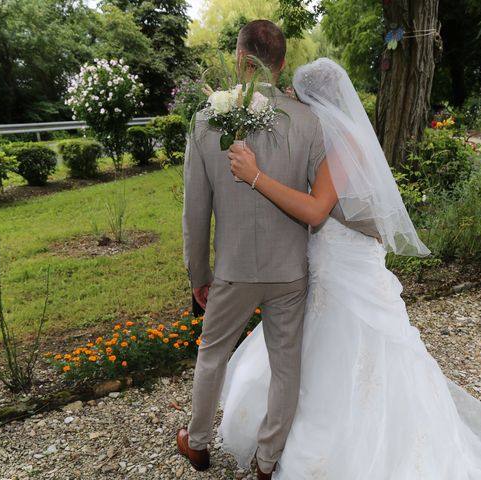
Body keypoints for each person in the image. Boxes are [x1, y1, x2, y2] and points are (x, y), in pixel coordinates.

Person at [220, 57, 481, 479]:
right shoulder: (325, 134)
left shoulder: (342, 142)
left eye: (297, 94)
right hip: (330, 259)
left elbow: (316, 211)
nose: (293, 101)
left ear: (312, 97)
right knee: (310, 347)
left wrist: (256, 177)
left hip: (344, 267)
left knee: (348, 351)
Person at [179, 21, 327, 480]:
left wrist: (197, 274)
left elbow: (195, 211)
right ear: (282, 63)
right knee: (287, 365)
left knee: (212, 354)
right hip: (289, 271)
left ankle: (198, 443)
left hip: (233, 269)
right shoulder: (308, 120)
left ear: (241, 59)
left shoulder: (206, 120)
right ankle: (267, 462)